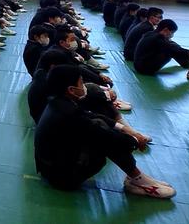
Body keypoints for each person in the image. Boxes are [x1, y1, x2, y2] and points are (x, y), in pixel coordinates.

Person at [34, 65, 175, 198]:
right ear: (71, 89)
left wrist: (126, 130)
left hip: (52, 168)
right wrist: (135, 141)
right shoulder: (69, 113)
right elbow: (104, 135)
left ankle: (137, 177)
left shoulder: (58, 102)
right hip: (62, 178)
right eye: (81, 82)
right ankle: (138, 180)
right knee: (104, 138)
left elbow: (91, 116)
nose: (84, 86)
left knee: (100, 125)